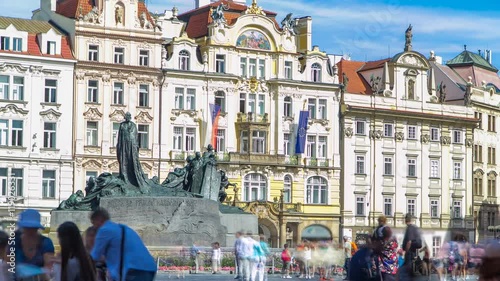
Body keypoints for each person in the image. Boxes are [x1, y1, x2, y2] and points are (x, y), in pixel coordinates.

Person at [90, 207, 157, 281]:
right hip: (149, 268)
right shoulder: (123, 228)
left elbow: (94, 256)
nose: (94, 227)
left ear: (98, 219)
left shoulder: (105, 230)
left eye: (93, 223)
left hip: (133, 270)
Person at [15, 209, 55, 280]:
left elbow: (49, 269)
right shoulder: (15, 242)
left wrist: (33, 273)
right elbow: (7, 266)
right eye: (27, 228)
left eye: (33, 228)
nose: (30, 231)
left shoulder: (46, 243)